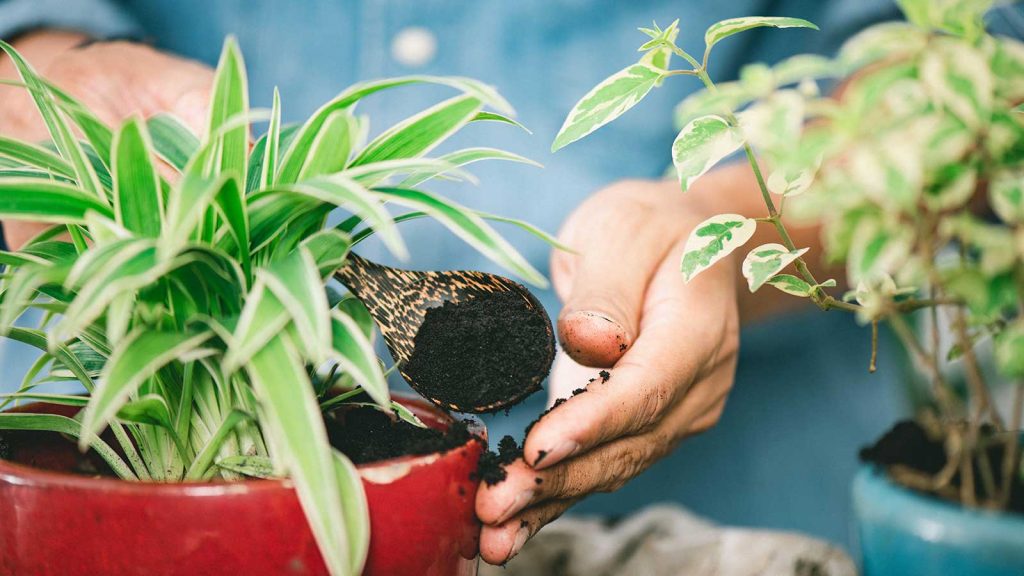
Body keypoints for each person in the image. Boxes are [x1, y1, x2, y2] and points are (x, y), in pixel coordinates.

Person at [2, 0, 1021, 566]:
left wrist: (719, 231)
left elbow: (968, 76)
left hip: (730, 501)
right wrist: (45, 79)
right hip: (101, 487)